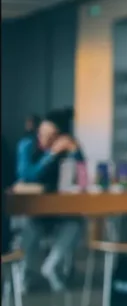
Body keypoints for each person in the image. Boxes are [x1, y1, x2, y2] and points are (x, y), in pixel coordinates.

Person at [16, 108, 84, 291]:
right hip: (32, 209)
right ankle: (25, 273)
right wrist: (51, 155)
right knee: (28, 225)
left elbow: (82, 178)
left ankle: (52, 265)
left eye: (52, 136)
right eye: (43, 134)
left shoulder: (66, 147)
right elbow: (27, 175)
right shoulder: (27, 145)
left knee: (75, 224)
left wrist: (75, 152)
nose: (46, 139)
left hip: (58, 208)